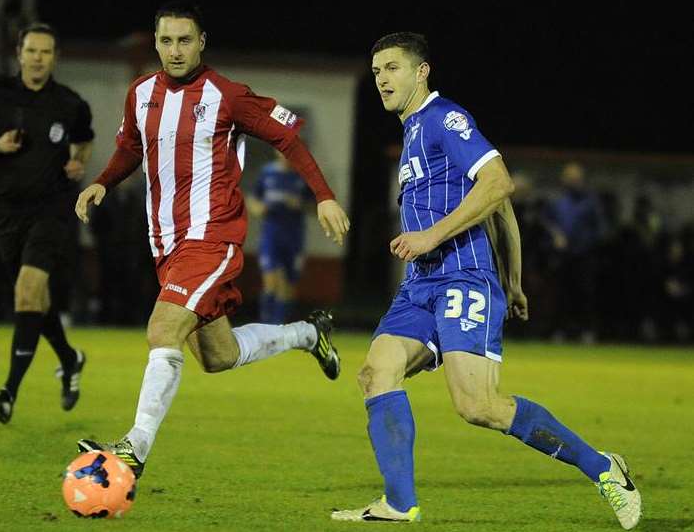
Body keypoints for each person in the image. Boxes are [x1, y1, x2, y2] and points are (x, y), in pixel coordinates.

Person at [330, 33, 641, 530]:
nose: (382, 79)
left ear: (421, 71)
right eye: (376, 71)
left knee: (478, 406)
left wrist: (432, 237)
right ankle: (398, 504)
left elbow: (499, 184)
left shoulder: (443, 118)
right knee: (375, 374)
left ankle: (604, 468)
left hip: (462, 279)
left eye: (391, 68)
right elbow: (500, 209)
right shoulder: (412, 131)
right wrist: (515, 282)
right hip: (420, 285)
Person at [73, 2, 350, 479]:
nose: (175, 50)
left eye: (184, 40)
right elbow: (130, 148)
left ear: (201, 42)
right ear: (155, 42)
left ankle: (133, 449)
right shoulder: (140, 93)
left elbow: (286, 138)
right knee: (217, 357)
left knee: (163, 330)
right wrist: (103, 181)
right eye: (166, 41)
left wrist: (323, 196)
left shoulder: (227, 95)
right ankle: (308, 333)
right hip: (166, 244)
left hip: (212, 238)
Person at [0, 22, 93, 424]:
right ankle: (70, 359)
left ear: (55, 58)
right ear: (19, 54)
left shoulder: (70, 103)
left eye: (46, 52)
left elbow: (84, 139)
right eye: (32, 51)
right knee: (35, 303)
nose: (38, 58)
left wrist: (77, 161)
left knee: (28, 293)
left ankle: (8, 394)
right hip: (6, 213)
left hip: (51, 210)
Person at [248, 149, 315, 324]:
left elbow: (315, 206)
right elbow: (253, 200)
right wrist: (258, 208)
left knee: (288, 285)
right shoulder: (267, 173)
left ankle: (280, 324)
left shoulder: (302, 176)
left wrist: (300, 204)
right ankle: (266, 324)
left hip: (294, 236)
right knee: (271, 281)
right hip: (271, 234)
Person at [544, 162, 605, 342]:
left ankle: (587, 331)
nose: (573, 181)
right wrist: (554, 238)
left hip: (584, 256)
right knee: (562, 295)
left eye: (576, 178)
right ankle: (561, 331)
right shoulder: (557, 202)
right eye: (569, 178)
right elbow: (547, 225)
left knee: (585, 295)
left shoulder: (590, 203)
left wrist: (585, 244)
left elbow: (600, 229)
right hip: (563, 257)